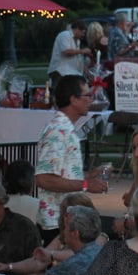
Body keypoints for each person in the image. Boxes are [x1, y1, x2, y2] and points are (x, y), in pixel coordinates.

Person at [36, 75, 107, 244]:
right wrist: (85, 185)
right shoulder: (57, 130)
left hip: (66, 219)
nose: (91, 100)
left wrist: (89, 175)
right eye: (87, 95)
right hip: (56, 222)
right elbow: (44, 178)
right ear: (73, 99)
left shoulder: (65, 129)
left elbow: (62, 173)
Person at [48, 20, 90, 86]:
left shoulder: (77, 41)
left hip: (70, 73)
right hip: (60, 72)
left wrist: (85, 69)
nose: (83, 35)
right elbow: (66, 52)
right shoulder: (65, 35)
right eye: (82, 32)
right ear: (76, 29)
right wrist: (83, 51)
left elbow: (77, 57)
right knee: (59, 93)